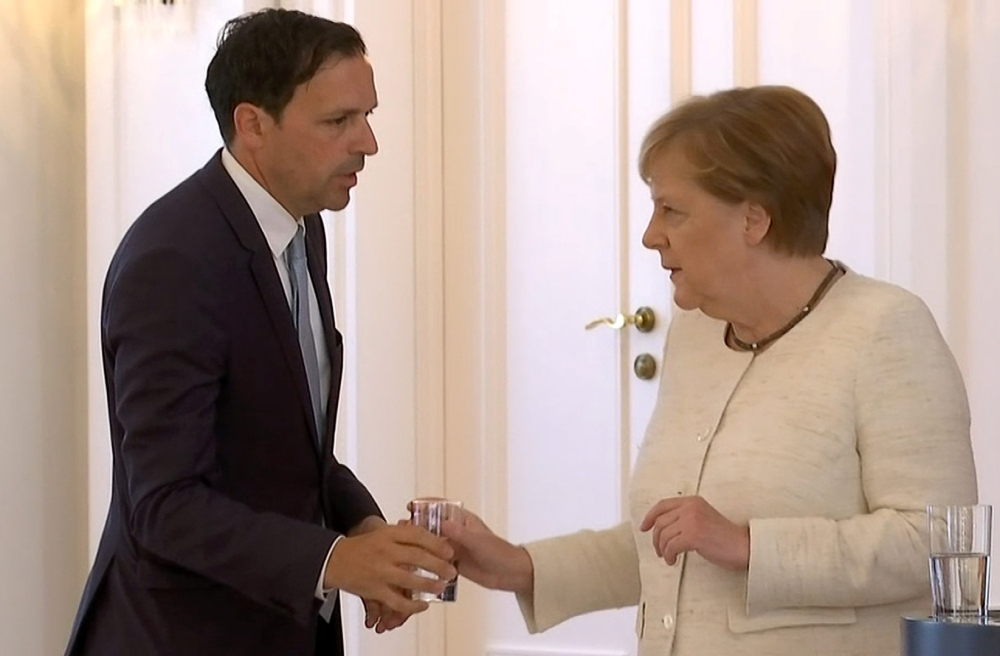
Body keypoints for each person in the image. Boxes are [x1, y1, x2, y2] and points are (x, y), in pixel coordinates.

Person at [442, 85, 978, 656]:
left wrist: (752, 545)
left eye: (671, 209)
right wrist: (519, 567)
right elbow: (675, 543)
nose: (650, 235)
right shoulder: (696, 335)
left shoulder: (885, 329)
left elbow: (936, 543)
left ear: (753, 219)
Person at [64, 9, 455, 656]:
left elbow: (297, 453)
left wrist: (366, 535)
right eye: (339, 122)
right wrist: (334, 561)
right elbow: (165, 505)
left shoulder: (304, 226)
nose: (369, 144)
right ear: (252, 125)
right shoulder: (173, 261)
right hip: (182, 636)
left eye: (368, 116)